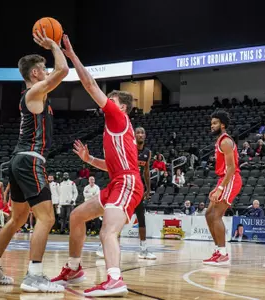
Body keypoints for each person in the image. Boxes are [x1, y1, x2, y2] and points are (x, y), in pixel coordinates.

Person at [50, 35, 143, 297]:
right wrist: (90, 160)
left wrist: (72, 56)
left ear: (121, 105)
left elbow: (90, 85)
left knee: (107, 231)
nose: (105, 102)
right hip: (118, 180)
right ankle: (74, 268)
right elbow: (114, 167)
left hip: (127, 182)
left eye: (110, 99)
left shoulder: (117, 116)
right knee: (77, 216)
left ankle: (115, 279)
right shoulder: (116, 129)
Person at [0, 28, 69, 292]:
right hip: (30, 161)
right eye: (43, 69)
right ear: (34, 73)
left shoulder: (34, 96)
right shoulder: (34, 93)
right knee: (47, 218)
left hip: (19, 160)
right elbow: (63, 71)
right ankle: (34, 275)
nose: (46, 72)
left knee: (17, 219)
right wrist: (54, 46)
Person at [203, 110, 242, 266]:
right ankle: (218, 250)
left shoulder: (225, 141)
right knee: (208, 214)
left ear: (223, 124)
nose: (212, 126)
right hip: (224, 179)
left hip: (231, 178)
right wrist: (219, 186)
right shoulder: (220, 140)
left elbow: (231, 168)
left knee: (216, 215)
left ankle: (223, 254)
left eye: (215, 123)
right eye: (211, 123)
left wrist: (220, 188)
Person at [134, 127, 156, 260]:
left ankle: (143, 249)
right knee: (118, 217)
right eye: (138, 132)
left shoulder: (147, 152)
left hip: (138, 188)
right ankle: (104, 246)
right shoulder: (129, 148)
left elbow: (146, 172)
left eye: (143, 132)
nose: (140, 135)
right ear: (134, 135)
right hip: (126, 186)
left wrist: (148, 189)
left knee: (141, 217)